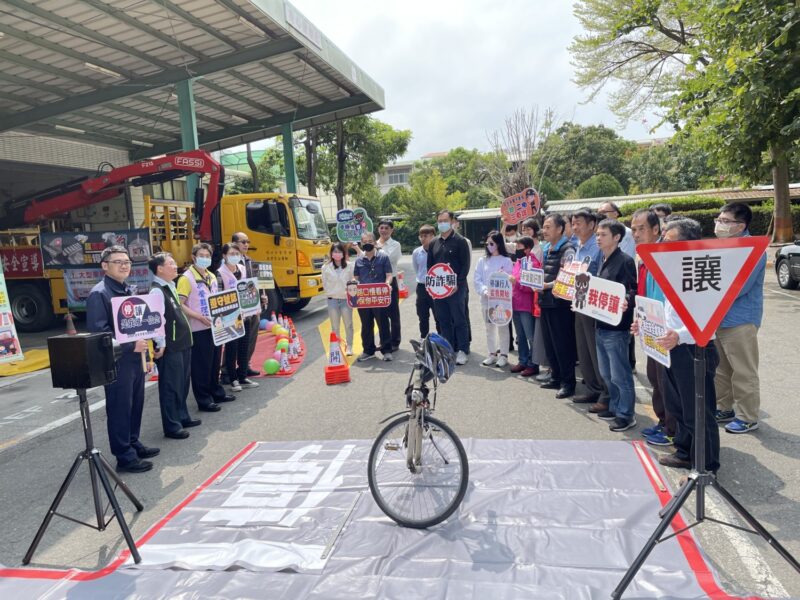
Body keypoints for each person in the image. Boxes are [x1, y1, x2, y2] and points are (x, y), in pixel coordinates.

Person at [638, 218, 721, 473]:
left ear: (688, 243)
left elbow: (711, 321)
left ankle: (705, 466)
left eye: (670, 240)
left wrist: (680, 336)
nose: (663, 243)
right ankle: (684, 452)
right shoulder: (672, 270)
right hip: (670, 347)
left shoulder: (702, 271)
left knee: (699, 411)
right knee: (678, 407)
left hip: (694, 350)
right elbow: (669, 311)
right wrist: (644, 324)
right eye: (663, 237)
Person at [86, 246, 159, 473]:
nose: (124, 265)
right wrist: (129, 345)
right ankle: (124, 456)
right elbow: (100, 333)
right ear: (105, 266)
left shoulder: (127, 289)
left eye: (127, 261)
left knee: (135, 402)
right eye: (118, 262)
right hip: (118, 361)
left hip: (136, 358)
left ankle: (133, 442)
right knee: (120, 407)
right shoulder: (100, 294)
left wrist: (146, 347)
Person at [713, 202, 766, 434]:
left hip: (740, 319)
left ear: (740, 225)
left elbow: (739, 287)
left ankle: (748, 416)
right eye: (718, 219)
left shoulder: (753, 249)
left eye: (725, 221)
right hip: (719, 318)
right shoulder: (723, 246)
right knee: (722, 369)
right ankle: (724, 407)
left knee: (743, 370)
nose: (719, 224)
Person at [630, 209, 676, 446]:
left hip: (666, 328)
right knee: (654, 378)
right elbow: (644, 292)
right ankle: (662, 421)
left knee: (667, 382)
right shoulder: (643, 256)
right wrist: (640, 316)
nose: (636, 234)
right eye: (634, 229)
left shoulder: (665, 256)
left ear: (656, 229)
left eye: (642, 229)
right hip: (650, 326)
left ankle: (672, 429)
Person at [178, 243, 235, 413]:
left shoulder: (211, 275)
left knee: (214, 362)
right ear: (194, 257)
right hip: (198, 328)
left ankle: (216, 392)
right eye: (201, 255)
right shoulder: (186, 278)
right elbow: (179, 304)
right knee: (201, 365)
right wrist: (198, 317)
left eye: (207, 255)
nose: (205, 258)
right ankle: (203, 399)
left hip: (214, 326)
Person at [148, 252, 199, 440]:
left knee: (183, 382)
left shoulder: (170, 286)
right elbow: (156, 320)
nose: (175, 265)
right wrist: (160, 343)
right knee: (171, 385)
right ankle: (172, 425)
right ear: (159, 268)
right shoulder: (156, 291)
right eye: (171, 263)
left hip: (183, 342)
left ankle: (182, 416)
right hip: (171, 345)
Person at [593, 220, 638, 432]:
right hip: (601, 324)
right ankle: (614, 406)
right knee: (607, 372)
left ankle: (626, 414)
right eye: (597, 235)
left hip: (617, 327)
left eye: (603, 234)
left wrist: (627, 300)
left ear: (617, 237)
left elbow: (632, 290)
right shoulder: (603, 259)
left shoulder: (625, 261)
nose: (598, 238)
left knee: (620, 373)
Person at [570, 210, 609, 406]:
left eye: (579, 223)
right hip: (579, 303)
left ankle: (605, 393)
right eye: (573, 223)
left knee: (596, 351)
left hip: (594, 306)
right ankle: (592, 389)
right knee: (583, 350)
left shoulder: (598, 246)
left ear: (592, 225)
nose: (575, 227)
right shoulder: (579, 246)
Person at [538, 214, 578, 398]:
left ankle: (568, 383)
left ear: (560, 229)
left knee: (563, 344)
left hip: (560, 303)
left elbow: (568, 276)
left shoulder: (568, 249)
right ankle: (556, 377)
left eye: (548, 227)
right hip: (546, 301)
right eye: (544, 227)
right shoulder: (547, 248)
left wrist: (547, 285)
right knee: (550, 343)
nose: (544, 231)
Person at [427, 210, 472, 365]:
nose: (442, 223)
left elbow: (465, 266)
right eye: (439, 221)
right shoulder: (434, 242)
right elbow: (430, 267)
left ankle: (463, 350)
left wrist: (457, 284)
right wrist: (432, 287)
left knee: (459, 319)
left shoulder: (460, 241)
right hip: (439, 290)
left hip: (456, 289)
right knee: (443, 320)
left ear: (452, 221)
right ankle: (448, 350)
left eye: (445, 220)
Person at [218, 243, 259, 392]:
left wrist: (256, 303)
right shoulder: (220, 273)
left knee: (244, 345)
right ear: (224, 256)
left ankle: (242, 376)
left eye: (237, 253)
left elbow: (249, 289)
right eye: (231, 254)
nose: (235, 256)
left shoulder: (242, 269)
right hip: (230, 317)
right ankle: (233, 379)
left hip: (246, 314)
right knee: (231, 348)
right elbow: (219, 297)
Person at [474, 231, 514, 367]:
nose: (489, 246)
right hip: (486, 300)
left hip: (502, 301)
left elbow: (510, 280)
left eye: (492, 243)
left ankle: (503, 355)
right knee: (489, 327)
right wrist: (484, 290)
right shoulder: (482, 260)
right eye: (487, 243)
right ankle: (492, 353)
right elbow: (477, 278)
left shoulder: (506, 261)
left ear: (498, 244)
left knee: (503, 327)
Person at [354, 231, 394, 361]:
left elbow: (389, 274)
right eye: (364, 242)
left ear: (374, 242)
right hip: (364, 298)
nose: (367, 244)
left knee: (383, 323)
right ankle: (368, 350)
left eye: (370, 242)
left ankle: (387, 350)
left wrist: (387, 284)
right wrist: (354, 284)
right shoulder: (359, 259)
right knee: (366, 325)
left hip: (379, 297)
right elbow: (356, 277)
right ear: (361, 243)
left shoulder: (383, 257)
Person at [509, 236, 540, 376]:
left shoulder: (534, 262)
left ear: (527, 248)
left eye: (519, 247)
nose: (517, 250)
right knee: (520, 336)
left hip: (526, 305)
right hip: (515, 303)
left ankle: (533, 364)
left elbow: (533, 285)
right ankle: (522, 361)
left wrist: (517, 282)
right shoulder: (519, 262)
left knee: (530, 336)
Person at [232, 232, 262, 377]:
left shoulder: (249, 260)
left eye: (247, 242)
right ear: (234, 243)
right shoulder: (230, 262)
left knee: (251, 334)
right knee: (234, 337)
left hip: (251, 304)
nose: (246, 245)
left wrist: (262, 295)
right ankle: (227, 370)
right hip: (236, 306)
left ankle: (245, 365)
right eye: (242, 242)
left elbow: (256, 282)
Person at [322, 242, 355, 355]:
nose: (337, 254)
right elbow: (324, 284)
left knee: (348, 324)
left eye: (339, 251)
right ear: (331, 253)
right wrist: (331, 293)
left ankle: (349, 346)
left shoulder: (350, 265)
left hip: (346, 300)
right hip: (332, 300)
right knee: (335, 326)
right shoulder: (325, 267)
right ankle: (338, 347)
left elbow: (353, 282)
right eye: (335, 251)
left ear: (343, 253)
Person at [376, 220, 402, 352]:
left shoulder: (395, 244)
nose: (384, 230)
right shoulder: (373, 244)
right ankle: (384, 340)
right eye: (381, 228)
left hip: (391, 282)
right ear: (378, 229)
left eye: (387, 228)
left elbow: (391, 258)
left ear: (391, 230)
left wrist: (377, 249)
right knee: (381, 315)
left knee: (393, 313)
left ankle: (395, 341)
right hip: (377, 284)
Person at [412, 225, 438, 339]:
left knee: (439, 315)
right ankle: (423, 339)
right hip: (422, 287)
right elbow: (417, 269)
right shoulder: (416, 252)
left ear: (433, 236)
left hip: (436, 286)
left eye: (426, 236)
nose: (423, 238)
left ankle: (442, 338)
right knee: (422, 316)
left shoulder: (438, 250)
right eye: (421, 236)